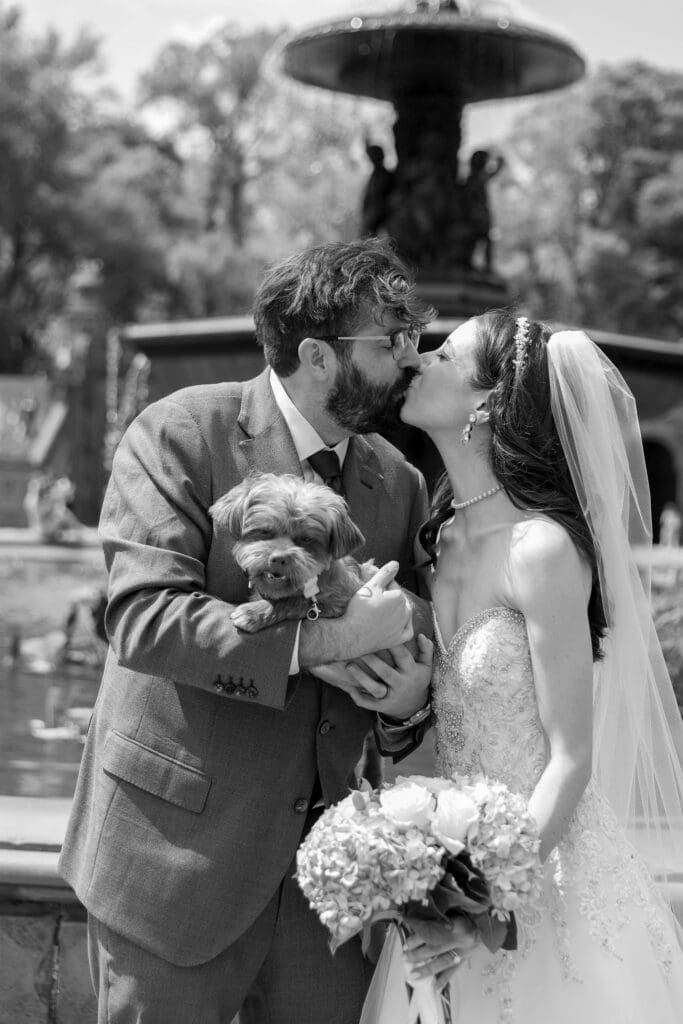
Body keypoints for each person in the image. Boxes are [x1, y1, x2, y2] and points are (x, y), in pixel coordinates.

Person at [58, 238, 437, 1024]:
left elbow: (410, 657)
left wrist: (406, 701)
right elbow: (142, 618)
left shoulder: (399, 483)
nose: (409, 356)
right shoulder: (178, 431)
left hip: (331, 898)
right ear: (318, 355)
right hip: (174, 867)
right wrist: (328, 641)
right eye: (390, 340)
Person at [357, 311, 683, 1022]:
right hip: (446, 861)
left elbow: (570, 759)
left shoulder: (541, 549)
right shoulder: (436, 539)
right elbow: (456, 720)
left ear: (486, 402)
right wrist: (408, 703)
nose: (418, 359)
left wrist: (477, 906)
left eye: (445, 354)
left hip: (538, 879)